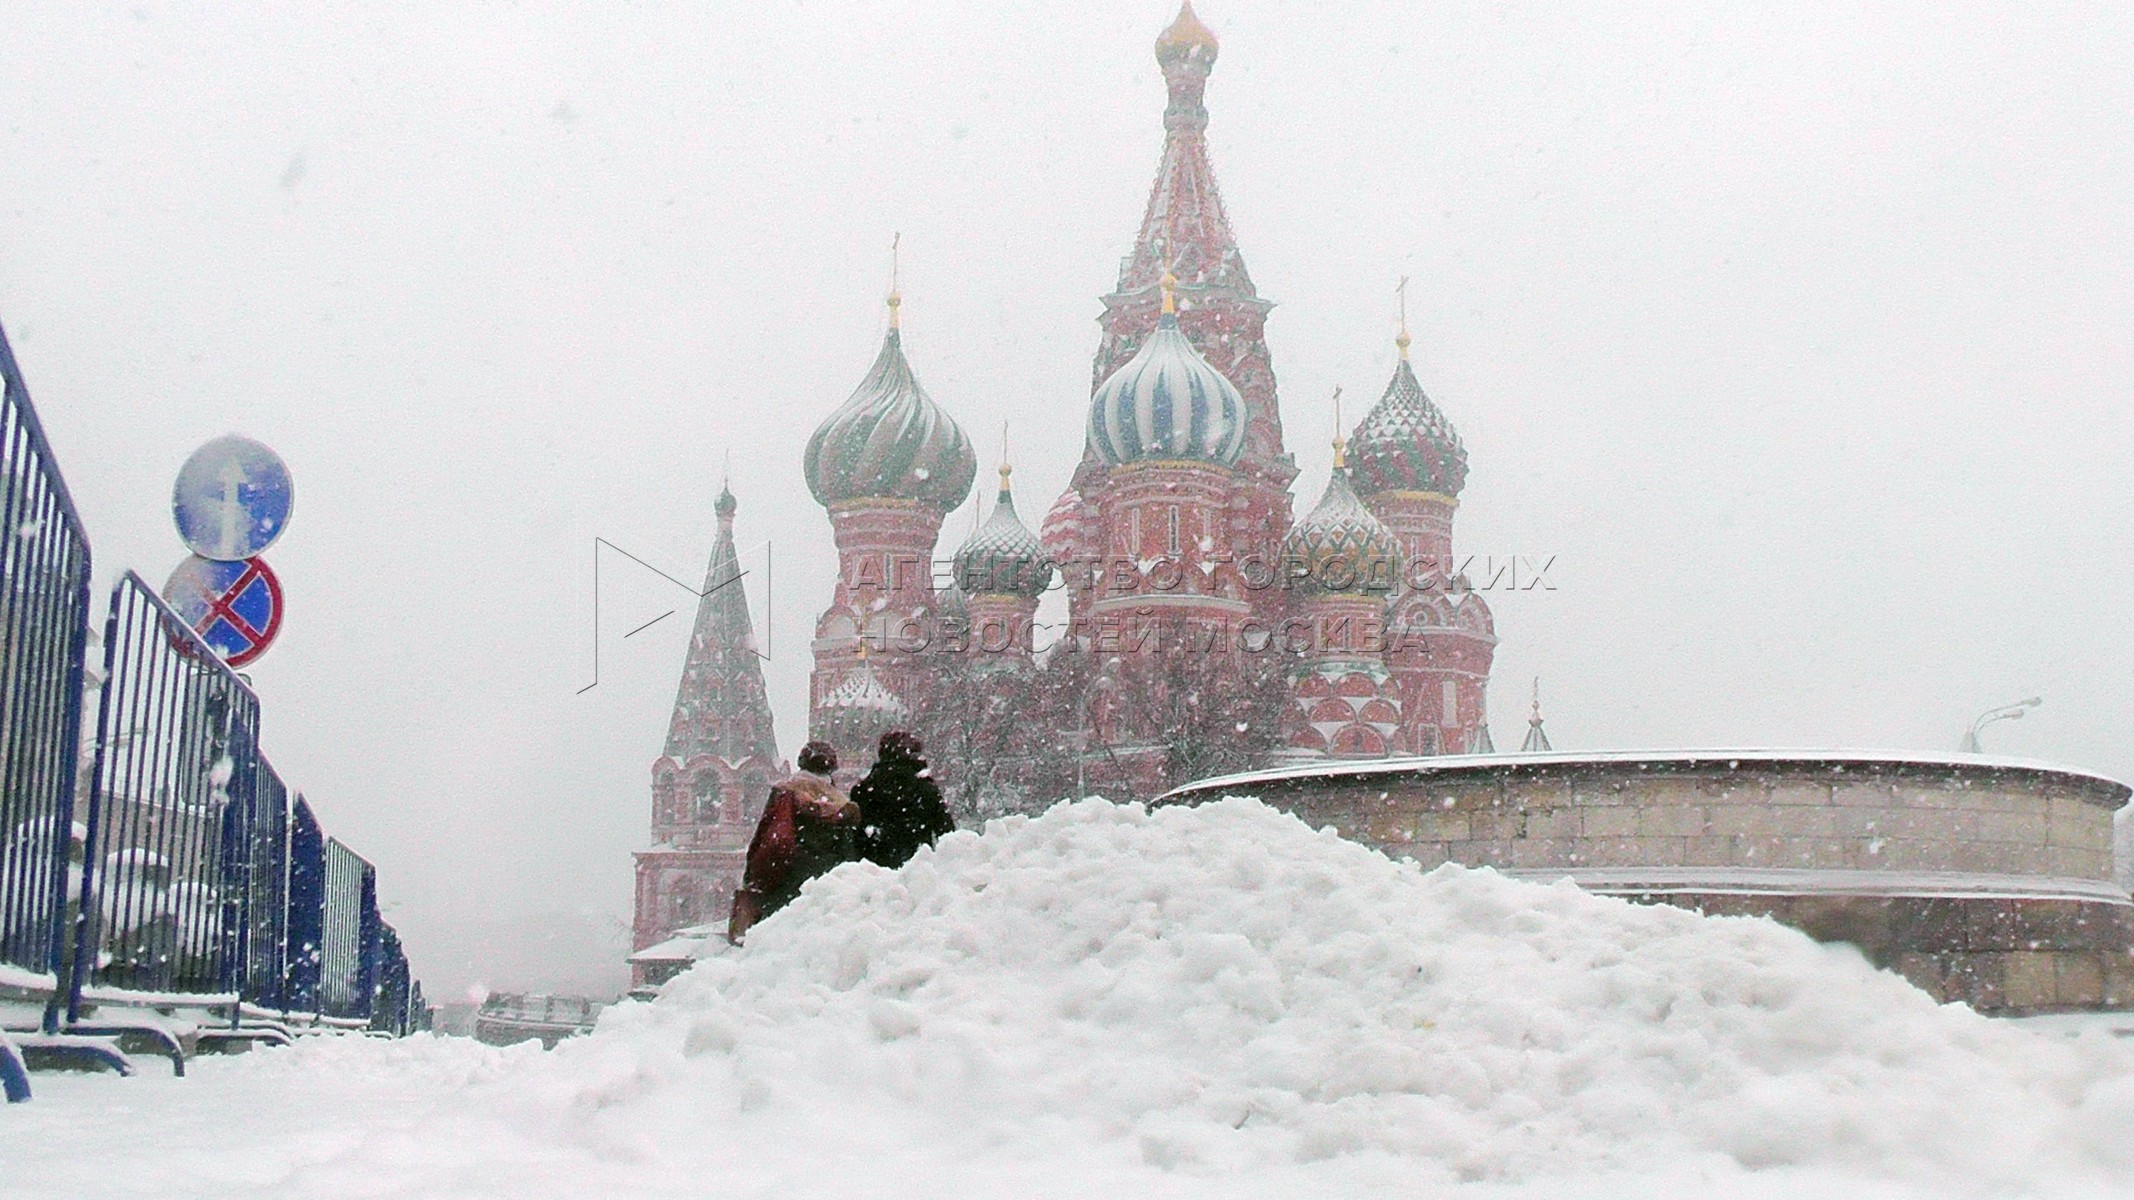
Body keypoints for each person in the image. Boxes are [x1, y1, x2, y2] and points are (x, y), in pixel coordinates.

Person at [728, 740, 860, 944]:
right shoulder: (842, 806)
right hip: (825, 889)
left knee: (778, 947)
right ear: (831, 769)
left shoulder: (784, 794)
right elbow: (848, 851)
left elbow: (765, 839)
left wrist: (753, 876)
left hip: (784, 878)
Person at [852, 730, 956, 870]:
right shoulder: (925, 788)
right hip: (917, 868)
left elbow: (855, 829)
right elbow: (946, 832)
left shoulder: (865, 788)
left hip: (873, 866)